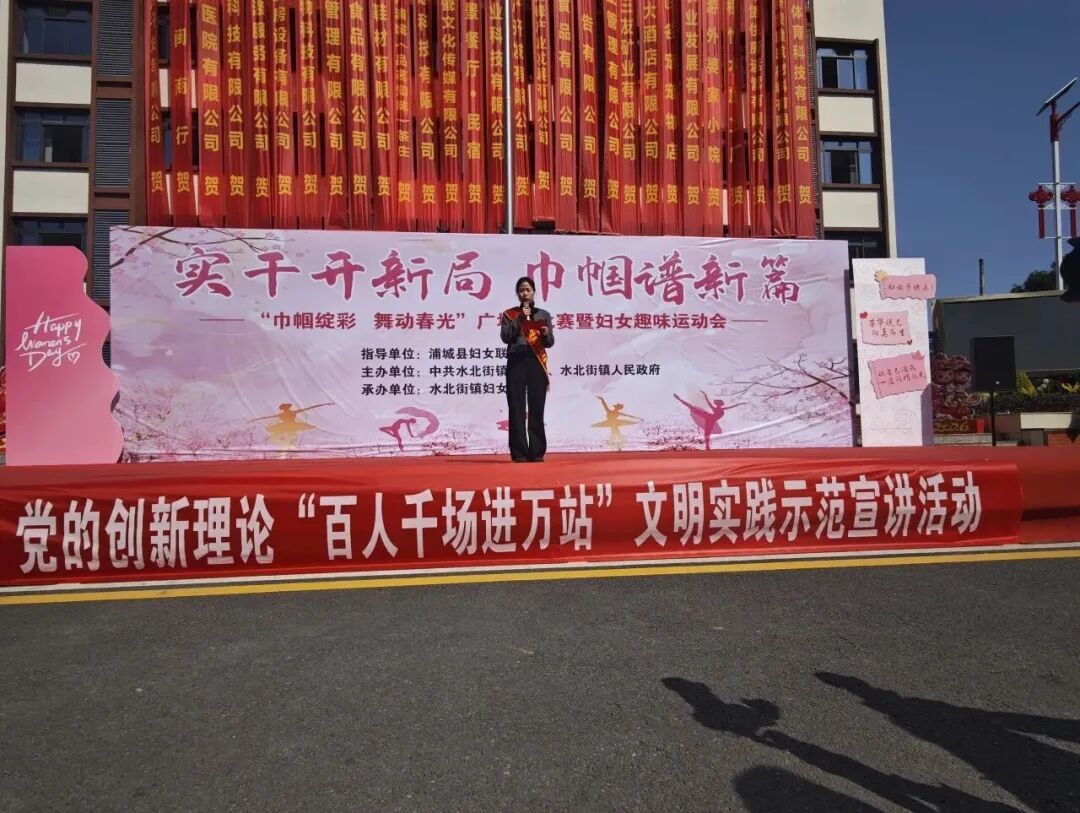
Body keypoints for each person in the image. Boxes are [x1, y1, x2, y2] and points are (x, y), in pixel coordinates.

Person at [499, 276, 555, 462]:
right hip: (516, 362)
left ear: (533, 292)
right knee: (516, 407)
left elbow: (550, 342)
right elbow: (505, 337)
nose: (525, 293)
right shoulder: (509, 315)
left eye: (528, 290)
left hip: (535, 362)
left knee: (537, 407)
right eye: (521, 290)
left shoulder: (544, 314)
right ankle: (520, 453)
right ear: (517, 294)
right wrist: (520, 320)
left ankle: (537, 452)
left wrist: (545, 334)